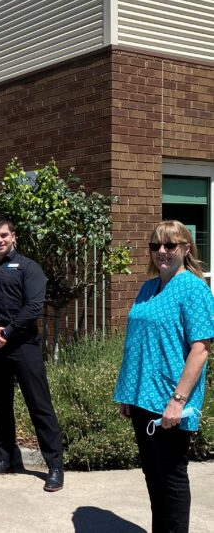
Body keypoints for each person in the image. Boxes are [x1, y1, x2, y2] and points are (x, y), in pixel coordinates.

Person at [114, 220, 213, 533]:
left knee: (171, 476)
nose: (162, 252)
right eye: (155, 245)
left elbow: (201, 350)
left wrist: (177, 400)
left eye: (170, 245)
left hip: (171, 400)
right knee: (153, 474)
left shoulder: (195, 289)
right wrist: (127, 394)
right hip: (142, 397)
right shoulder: (148, 287)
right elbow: (136, 343)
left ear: (185, 248)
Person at [0, 213, 64, 492]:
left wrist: (6, 333)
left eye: (4, 235)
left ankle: (55, 466)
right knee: (1, 406)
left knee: (39, 405)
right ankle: (4, 458)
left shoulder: (28, 268)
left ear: (13, 237)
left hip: (23, 347)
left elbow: (34, 307)